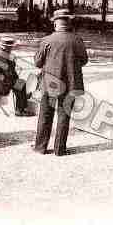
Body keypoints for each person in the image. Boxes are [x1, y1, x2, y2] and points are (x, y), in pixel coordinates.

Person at [34, 9, 88, 156]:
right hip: (71, 83)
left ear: (55, 23)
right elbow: (84, 60)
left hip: (50, 83)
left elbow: (37, 63)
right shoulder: (77, 40)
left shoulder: (46, 40)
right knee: (64, 114)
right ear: (68, 23)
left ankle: (40, 147)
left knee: (45, 114)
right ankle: (60, 149)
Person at [0, 37, 32, 116]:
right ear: (9, 47)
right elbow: (9, 74)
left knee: (18, 82)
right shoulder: (3, 57)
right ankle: (20, 110)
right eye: (11, 47)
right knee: (21, 84)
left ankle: (23, 97)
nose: (11, 48)